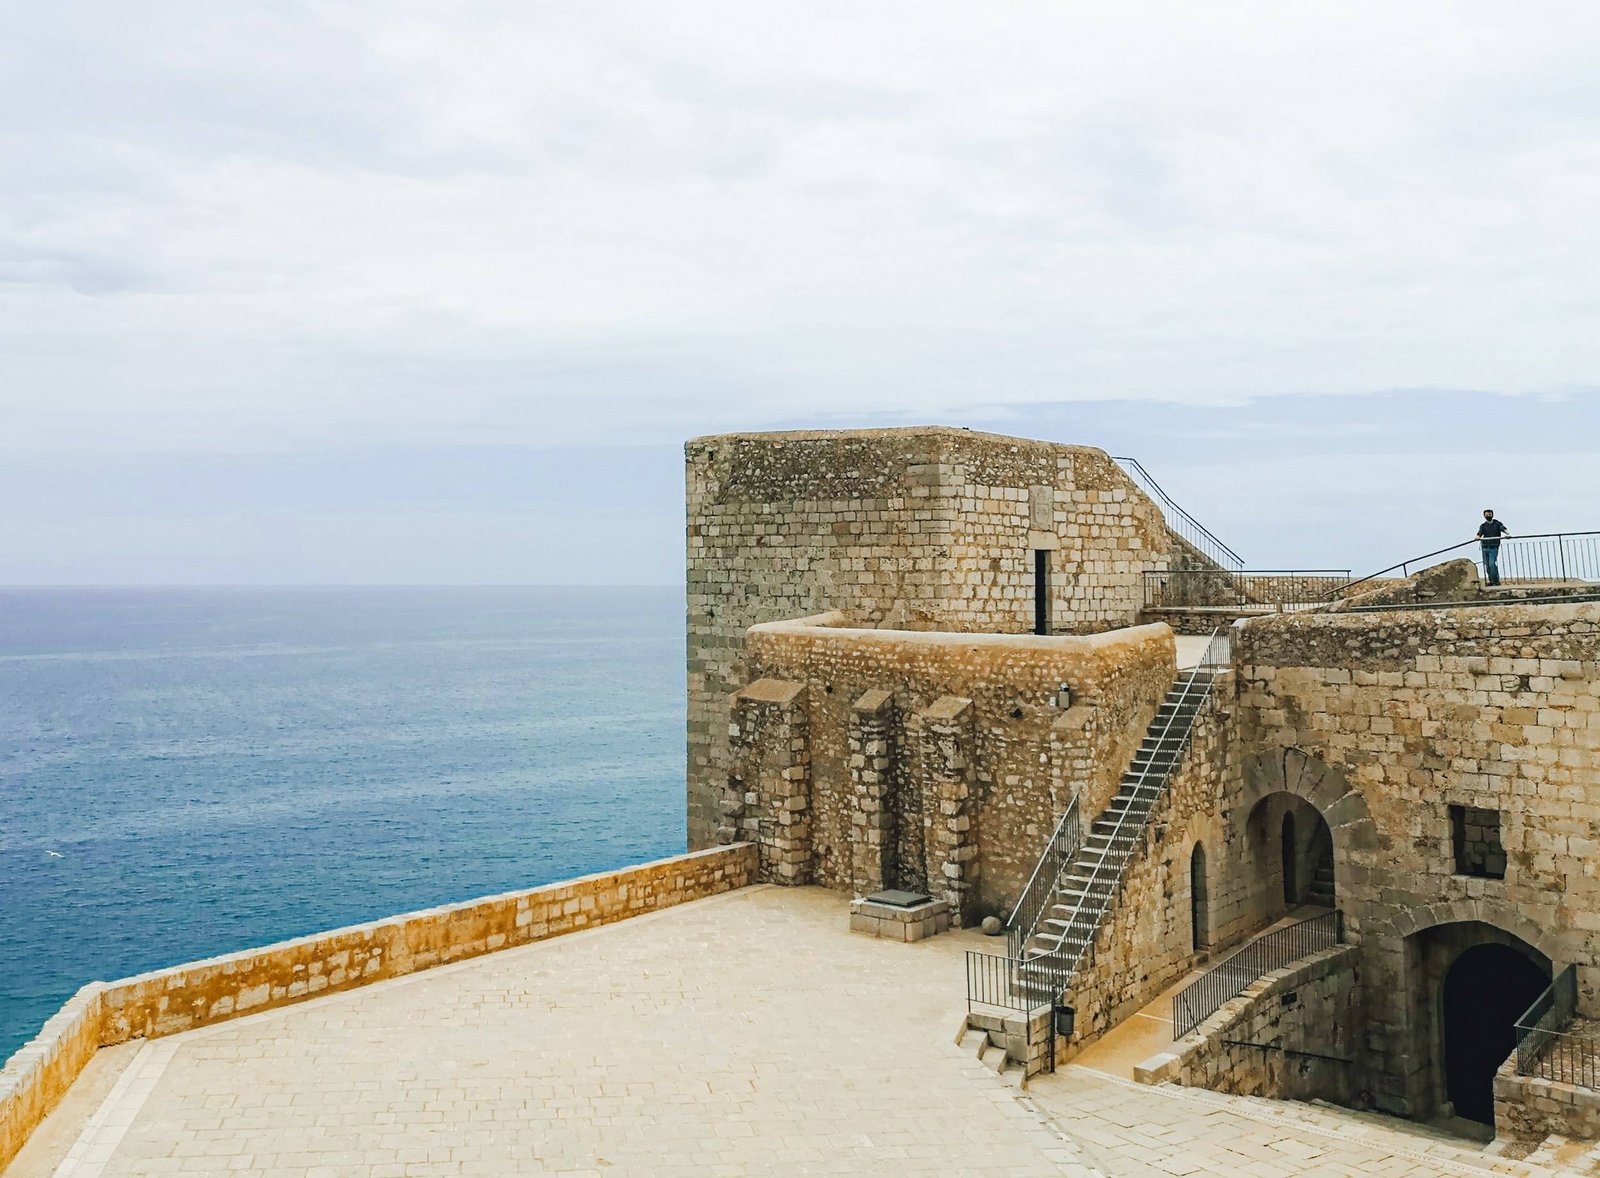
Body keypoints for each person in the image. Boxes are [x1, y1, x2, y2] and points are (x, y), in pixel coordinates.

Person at [1476, 509, 1509, 585]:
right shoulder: (1483, 526)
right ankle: (1491, 580)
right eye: (1486, 515)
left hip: (1493, 547)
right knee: (1487, 566)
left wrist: (1507, 534)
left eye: (1490, 514)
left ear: (1492, 515)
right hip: (1485, 547)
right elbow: (1479, 533)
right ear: (1484, 516)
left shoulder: (1497, 523)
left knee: (1492, 564)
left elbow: (1503, 528)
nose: (1488, 516)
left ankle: (1496, 580)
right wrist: (1477, 537)